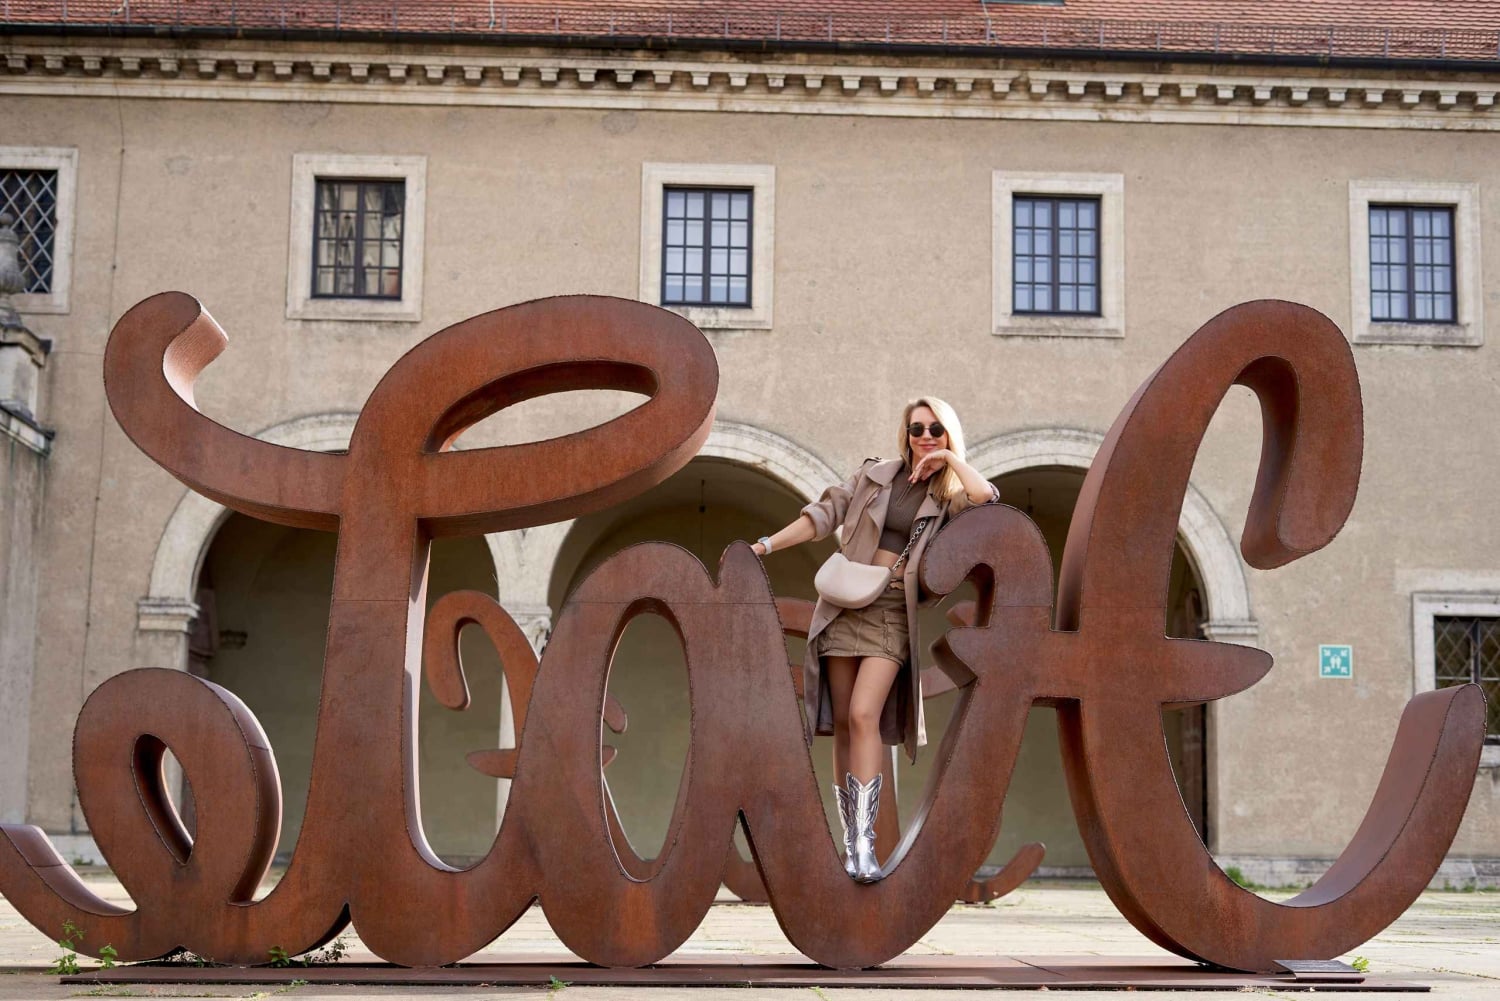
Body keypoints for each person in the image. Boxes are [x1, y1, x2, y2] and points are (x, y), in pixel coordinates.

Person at [751, 397, 998, 882]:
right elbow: (822, 514)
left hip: (890, 611)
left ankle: (866, 843)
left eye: (935, 429)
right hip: (842, 605)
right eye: (916, 429)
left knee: (866, 714)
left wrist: (948, 460)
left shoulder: (949, 494)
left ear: (948, 434)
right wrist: (765, 545)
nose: (924, 436)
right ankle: (851, 843)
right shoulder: (873, 475)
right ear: (903, 433)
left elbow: (987, 497)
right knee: (845, 723)